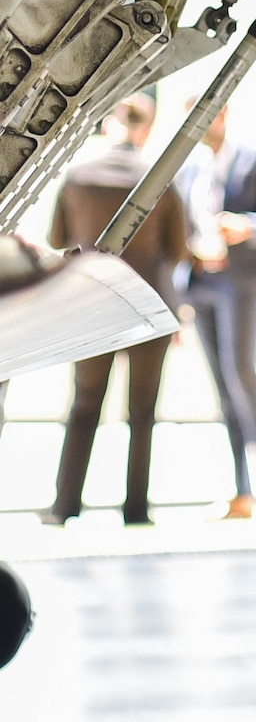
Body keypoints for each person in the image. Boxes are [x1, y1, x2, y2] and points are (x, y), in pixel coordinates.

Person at [43, 93, 190, 527]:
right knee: (142, 413)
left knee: (84, 404)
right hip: (148, 308)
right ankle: (136, 509)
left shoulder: (79, 176)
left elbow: (56, 240)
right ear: (146, 127)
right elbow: (178, 250)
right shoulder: (161, 178)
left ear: (110, 123)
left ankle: (65, 505)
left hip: (92, 307)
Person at [179, 104, 256, 518]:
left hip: (243, 283)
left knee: (244, 377)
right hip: (202, 285)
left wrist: (248, 226)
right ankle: (241, 492)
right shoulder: (189, 171)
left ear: (222, 112)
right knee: (224, 389)